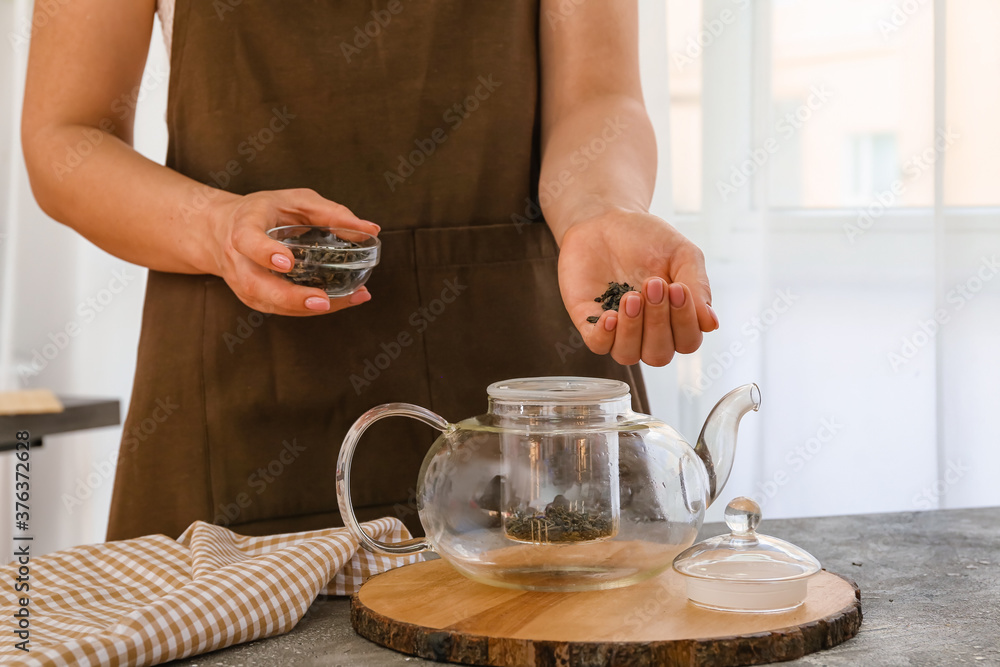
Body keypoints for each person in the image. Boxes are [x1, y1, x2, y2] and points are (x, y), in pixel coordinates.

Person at [21, 0, 718, 540]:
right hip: (240, 407)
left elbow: (599, 97)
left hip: (533, 398)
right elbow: (65, 137)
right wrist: (213, 229)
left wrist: (600, 211)